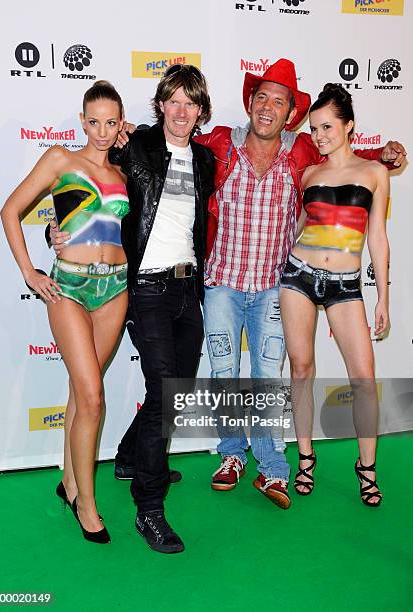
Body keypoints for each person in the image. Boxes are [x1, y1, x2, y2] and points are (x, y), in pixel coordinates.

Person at [195, 58, 404, 510]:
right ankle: (258, 457)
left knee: (307, 377)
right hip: (253, 281)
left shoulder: (315, 155)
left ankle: (307, 468)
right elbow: (180, 136)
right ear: (250, 102)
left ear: (293, 113)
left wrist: (384, 158)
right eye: (262, 97)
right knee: (245, 373)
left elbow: (365, 208)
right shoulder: (235, 146)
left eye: (281, 101)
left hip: (307, 283)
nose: (269, 108)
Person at [50, 65, 214, 553]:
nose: (181, 112)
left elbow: (284, 146)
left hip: (189, 288)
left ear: (201, 111)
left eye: (191, 104)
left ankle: (127, 456)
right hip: (144, 287)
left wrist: (379, 155)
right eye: (173, 101)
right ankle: (149, 507)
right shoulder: (135, 147)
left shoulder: (207, 159)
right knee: (163, 391)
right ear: (160, 105)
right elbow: (90, 195)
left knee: (176, 392)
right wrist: (55, 233)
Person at [1, 81, 129, 543]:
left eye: (110, 122)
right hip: (69, 286)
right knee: (93, 396)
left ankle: (68, 480)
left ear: (120, 123)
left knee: (82, 387)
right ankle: (86, 504)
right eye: (93, 121)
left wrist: (131, 137)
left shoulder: (125, 171)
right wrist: (30, 272)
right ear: (81, 121)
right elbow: (10, 210)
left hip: (115, 289)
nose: (100, 130)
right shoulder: (60, 159)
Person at [279, 83, 390, 507]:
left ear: (349, 126)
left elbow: (377, 238)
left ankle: (367, 469)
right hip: (299, 277)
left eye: (327, 127)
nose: (320, 135)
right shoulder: (309, 174)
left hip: (346, 285)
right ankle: (306, 457)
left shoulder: (374, 173)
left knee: (364, 379)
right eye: (314, 129)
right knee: (302, 369)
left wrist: (382, 297)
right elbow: (298, 227)